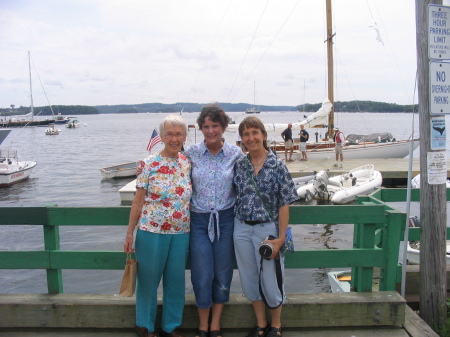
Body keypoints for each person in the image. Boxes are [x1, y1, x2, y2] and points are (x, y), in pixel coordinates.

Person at [124, 115, 192, 337]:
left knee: (175, 282)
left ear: (185, 136)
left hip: (181, 233)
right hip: (151, 232)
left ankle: (171, 327)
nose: (174, 138)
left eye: (178, 133)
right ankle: (145, 326)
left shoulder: (187, 162)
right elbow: (138, 200)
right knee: (148, 282)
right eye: (169, 134)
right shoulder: (148, 163)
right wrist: (129, 234)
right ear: (161, 137)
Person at [233, 116, 298, 337]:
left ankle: (276, 326)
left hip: (266, 229)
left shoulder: (277, 165)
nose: (251, 138)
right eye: (246, 134)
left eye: (254, 133)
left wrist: (280, 238)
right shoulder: (239, 165)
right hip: (241, 229)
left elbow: (284, 204)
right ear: (241, 139)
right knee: (249, 278)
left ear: (263, 135)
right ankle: (261, 324)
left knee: (271, 279)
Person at [185, 104, 243, 337]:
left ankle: (215, 325)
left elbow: (247, 183)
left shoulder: (235, 154)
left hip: (226, 219)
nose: (210, 131)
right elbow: (172, 170)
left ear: (223, 127)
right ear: (200, 128)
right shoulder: (191, 153)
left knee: (223, 272)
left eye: (215, 126)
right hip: (198, 220)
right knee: (201, 272)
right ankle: (202, 325)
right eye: (206, 126)